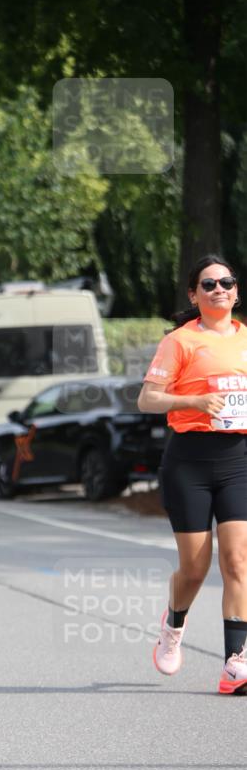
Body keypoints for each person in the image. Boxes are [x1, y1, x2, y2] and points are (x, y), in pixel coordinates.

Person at [138, 254, 247, 695]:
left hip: (238, 458)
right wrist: (193, 403)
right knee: (195, 567)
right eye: (209, 284)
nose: (219, 289)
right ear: (193, 295)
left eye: (227, 282)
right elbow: (148, 400)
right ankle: (174, 623)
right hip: (190, 463)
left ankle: (235, 665)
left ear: (237, 291)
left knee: (238, 561)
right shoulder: (180, 342)